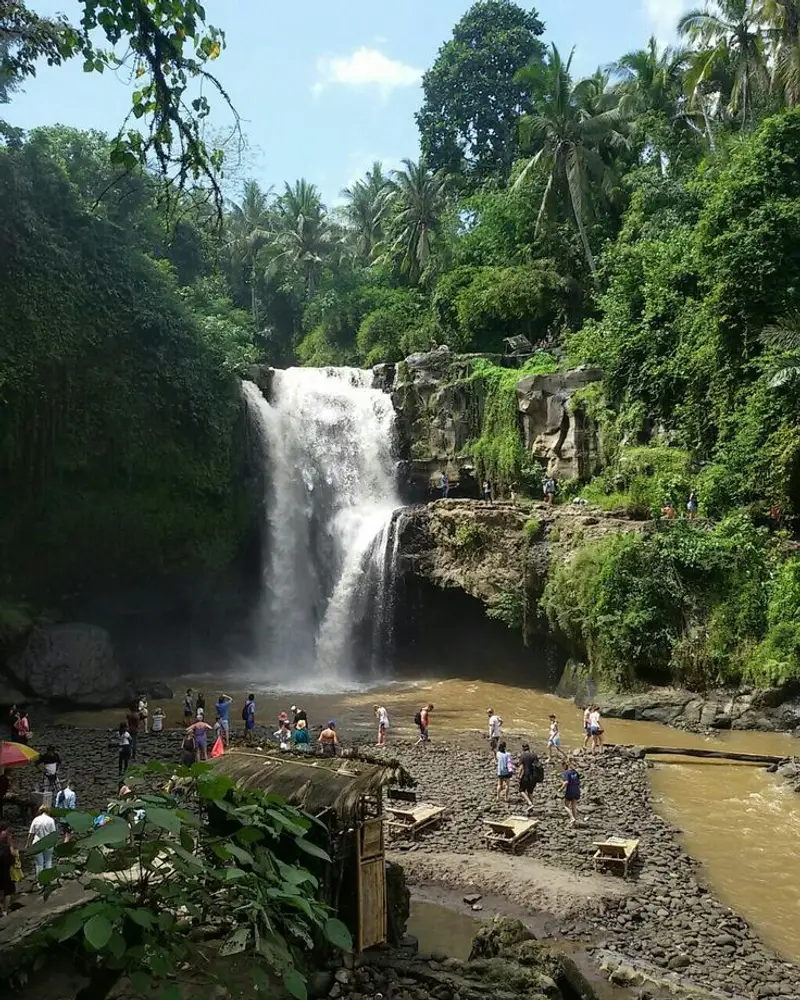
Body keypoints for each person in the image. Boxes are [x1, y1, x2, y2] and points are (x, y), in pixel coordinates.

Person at [27, 805, 57, 880]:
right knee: (48, 861)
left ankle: (39, 881)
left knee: (39, 864)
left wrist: (28, 844)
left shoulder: (35, 820)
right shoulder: (51, 820)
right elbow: (53, 833)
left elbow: (31, 834)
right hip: (48, 843)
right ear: (48, 811)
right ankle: (48, 879)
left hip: (37, 843)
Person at [0, 820, 19, 916]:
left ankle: (2, 909)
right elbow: (13, 853)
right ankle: (5, 911)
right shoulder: (8, 837)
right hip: (6, 867)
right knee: (8, 891)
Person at [518, 743, 543, 813]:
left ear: (523, 748)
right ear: (529, 748)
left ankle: (529, 803)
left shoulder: (523, 756)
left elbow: (521, 767)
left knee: (521, 790)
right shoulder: (534, 755)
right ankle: (531, 809)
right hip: (534, 776)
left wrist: (519, 776)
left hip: (526, 776)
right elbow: (538, 765)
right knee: (530, 791)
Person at [561, 759, 581, 825]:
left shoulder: (566, 772)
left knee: (565, 805)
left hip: (570, 790)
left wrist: (560, 788)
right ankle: (575, 821)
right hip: (577, 789)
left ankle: (572, 818)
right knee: (574, 806)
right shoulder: (575, 772)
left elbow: (566, 782)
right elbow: (578, 780)